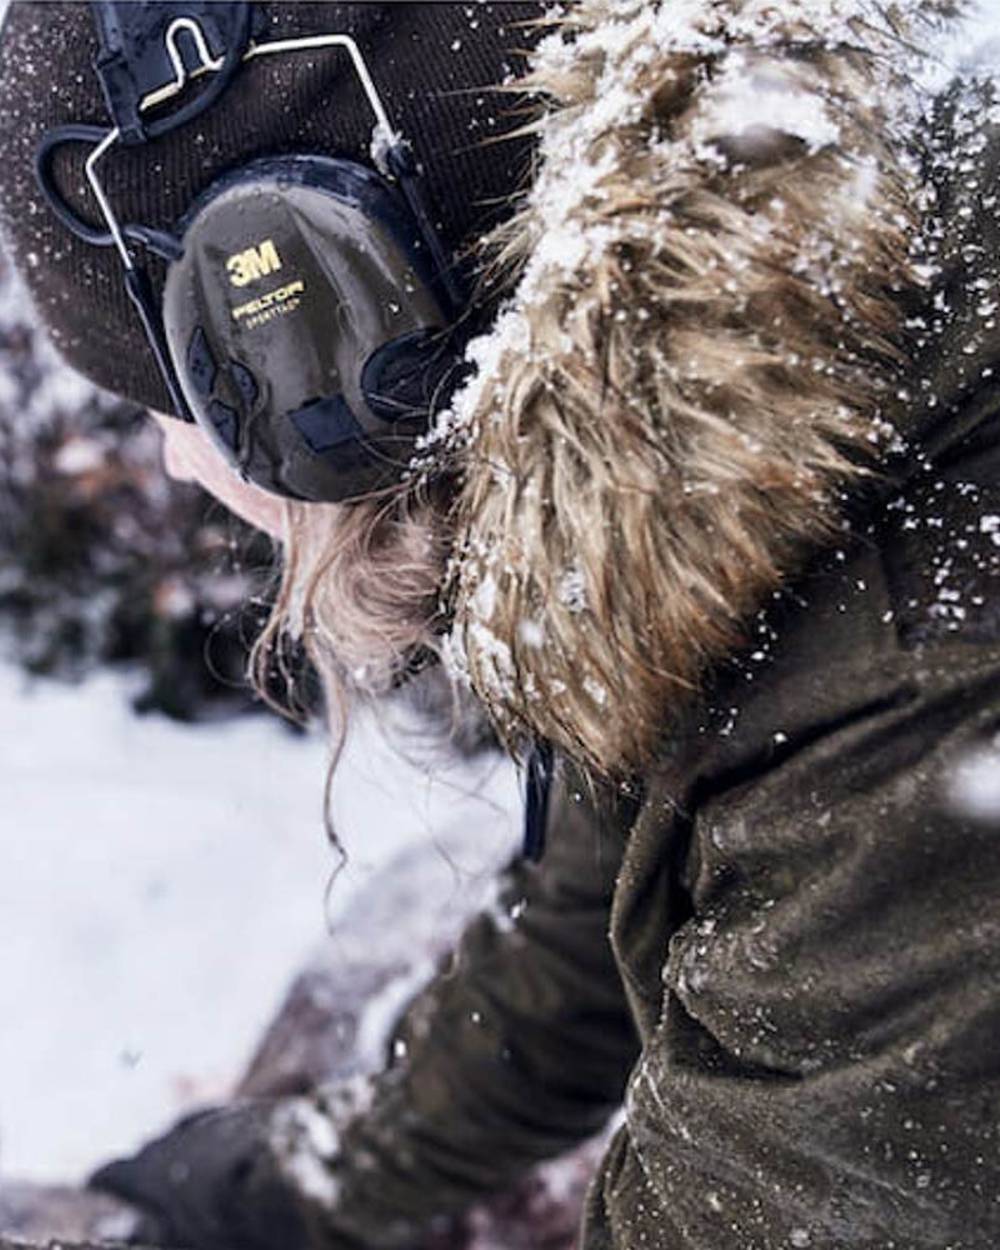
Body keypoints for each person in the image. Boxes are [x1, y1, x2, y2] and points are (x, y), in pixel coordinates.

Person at [2, 1, 1000, 1248]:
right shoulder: (712, 440)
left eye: (193, 394)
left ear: (334, 324)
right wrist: (294, 1178)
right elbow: (581, 928)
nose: (177, 461)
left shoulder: (903, 701)